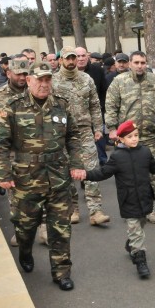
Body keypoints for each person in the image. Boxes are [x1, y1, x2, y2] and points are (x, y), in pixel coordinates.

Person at [0, 62, 86, 291]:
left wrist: (76, 163)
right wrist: (3, 173)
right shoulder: (13, 106)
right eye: (39, 80)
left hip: (58, 177)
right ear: (29, 80)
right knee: (25, 226)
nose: (44, 84)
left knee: (60, 228)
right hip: (26, 178)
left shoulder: (62, 105)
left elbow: (73, 137)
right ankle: (25, 252)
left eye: (48, 80)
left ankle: (62, 271)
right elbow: (1, 144)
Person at [83, 120, 155, 278]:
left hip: (145, 197)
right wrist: (85, 174)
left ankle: (132, 244)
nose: (134, 139)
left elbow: (154, 168)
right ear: (120, 139)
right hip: (128, 200)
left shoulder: (145, 152)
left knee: (140, 224)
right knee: (136, 229)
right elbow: (102, 173)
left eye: (136, 135)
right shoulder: (116, 157)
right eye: (130, 136)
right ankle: (140, 260)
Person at [105, 50, 155, 224]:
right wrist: (112, 128)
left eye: (142, 62)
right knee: (128, 176)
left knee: (151, 174)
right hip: (126, 138)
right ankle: (131, 210)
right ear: (130, 63)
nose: (140, 66)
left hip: (150, 135)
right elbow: (110, 105)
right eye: (136, 62)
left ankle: (150, 208)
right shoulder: (119, 81)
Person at [53, 46, 109, 226]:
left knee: (92, 169)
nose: (71, 62)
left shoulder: (86, 79)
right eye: (68, 58)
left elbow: (94, 105)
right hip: (62, 134)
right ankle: (73, 209)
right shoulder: (53, 81)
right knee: (66, 173)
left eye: (74, 58)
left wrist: (98, 127)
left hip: (85, 131)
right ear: (61, 60)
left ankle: (96, 210)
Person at [0, 56, 30, 246]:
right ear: (8, 73)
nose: (23, 78)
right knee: (16, 197)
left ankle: (43, 229)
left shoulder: (38, 91)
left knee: (42, 194)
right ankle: (20, 231)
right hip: (11, 156)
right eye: (19, 74)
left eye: (26, 74)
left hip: (38, 154)